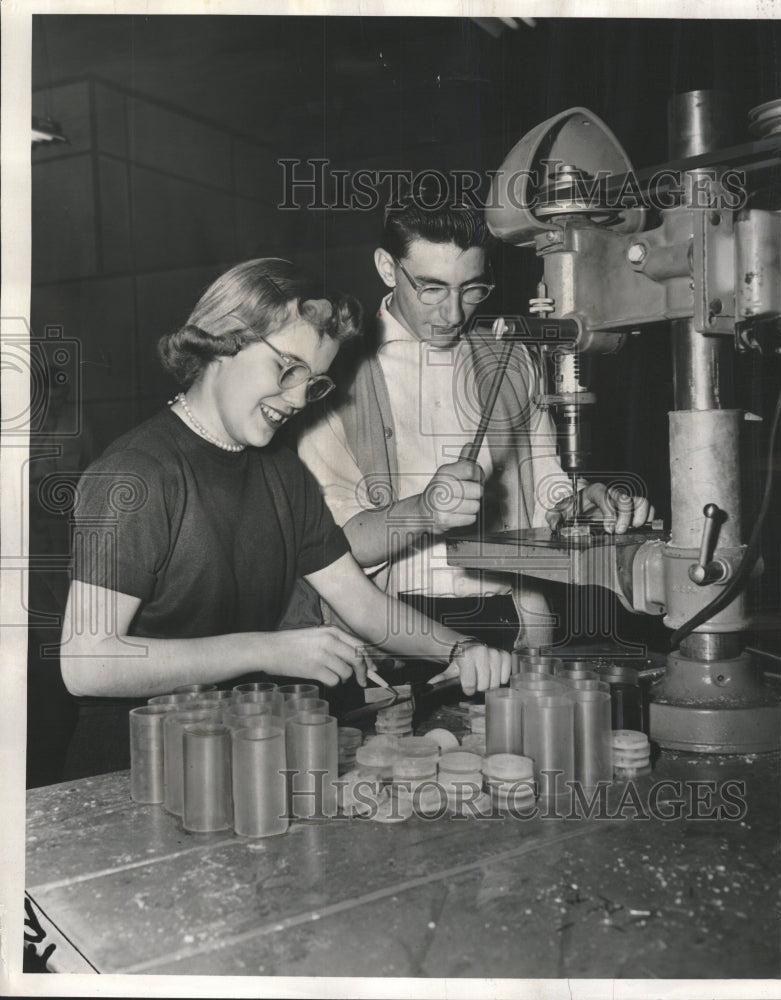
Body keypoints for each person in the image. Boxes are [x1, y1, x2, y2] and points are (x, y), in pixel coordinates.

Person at [59, 258, 510, 777]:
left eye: (315, 382)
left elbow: (362, 605)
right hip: (131, 770)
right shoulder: (134, 475)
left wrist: (460, 646)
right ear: (224, 341)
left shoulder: (282, 473)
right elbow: (87, 663)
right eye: (287, 368)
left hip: (233, 756)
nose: (298, 399)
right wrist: (265, 650)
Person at [297, 197, 653, 660]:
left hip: (516, 623)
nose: (453, 314)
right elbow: (332, 549)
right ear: (387, 267)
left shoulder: (509, 359)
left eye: (471, 289)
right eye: (431, 288)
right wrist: (424, 512)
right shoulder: (336, 372)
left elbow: (548, 490)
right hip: (389, 633)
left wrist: (584, 504)